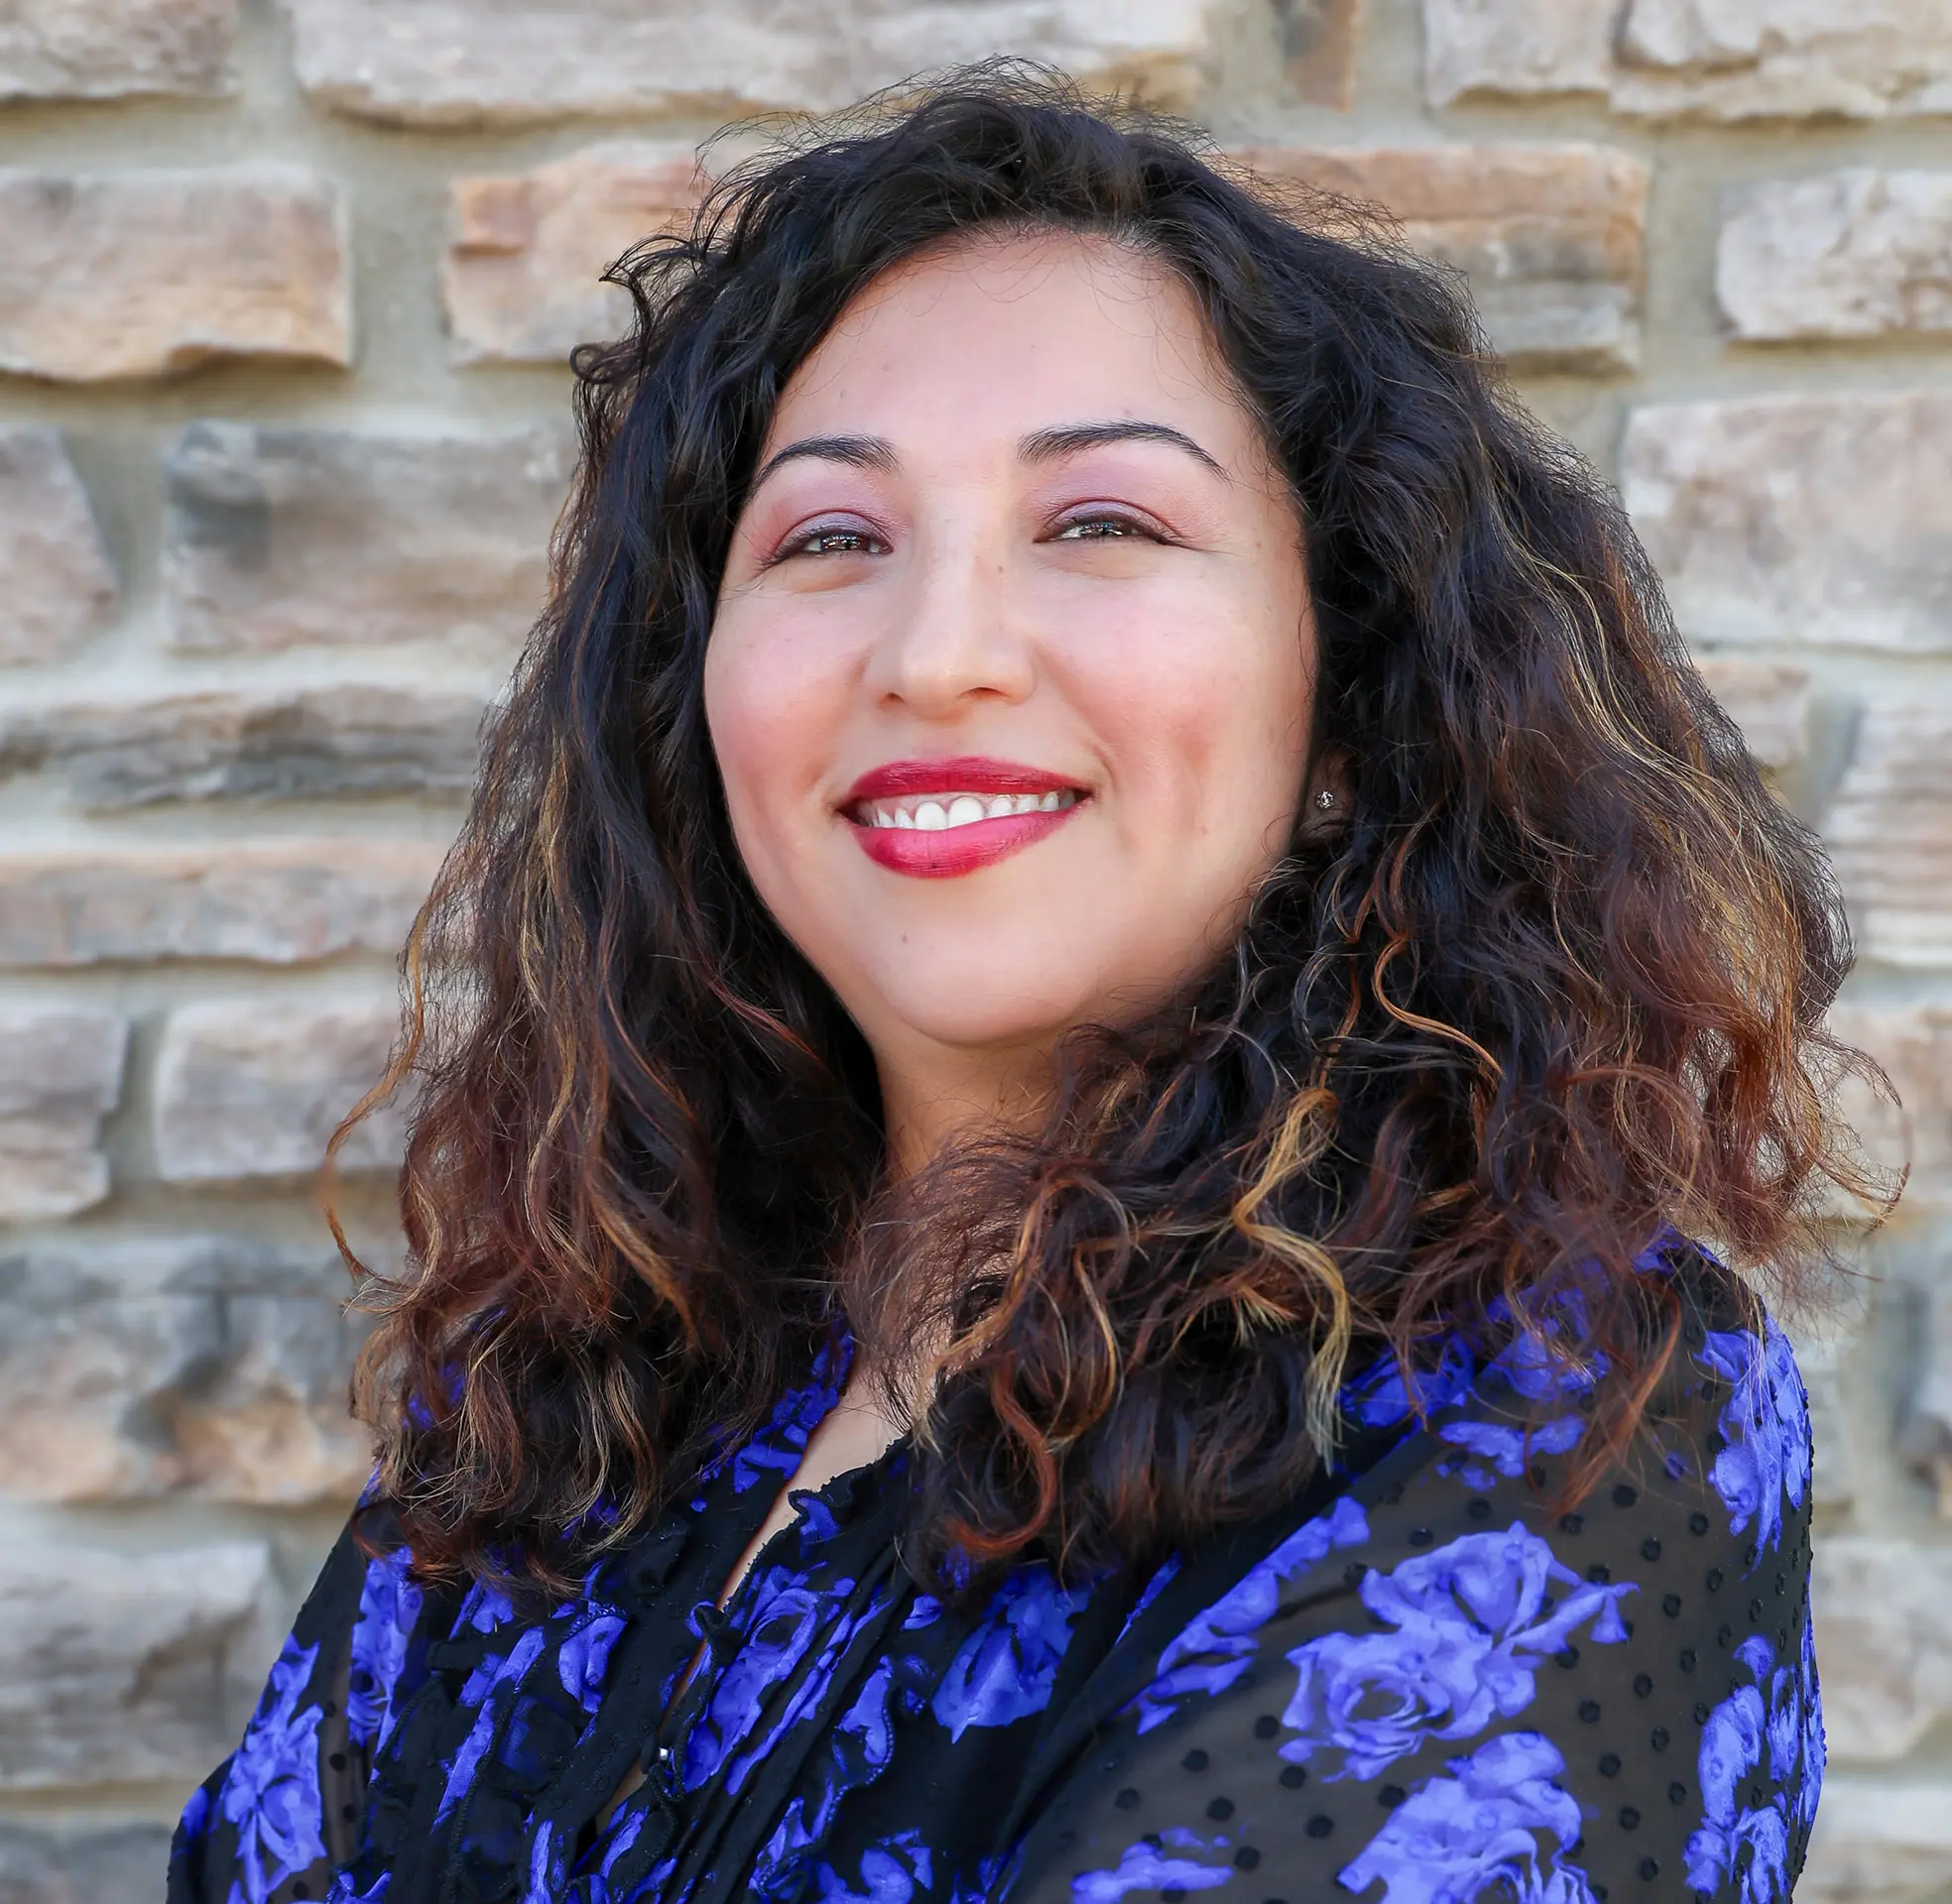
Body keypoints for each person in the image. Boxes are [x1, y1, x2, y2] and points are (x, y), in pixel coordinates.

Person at [167, 67, 1879, 1904]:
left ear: (1348, 705)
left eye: (1102, 524)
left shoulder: (1565, 1393)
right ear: (697, 711)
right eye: (831, 539)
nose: (942, 652)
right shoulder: (560, 1399)